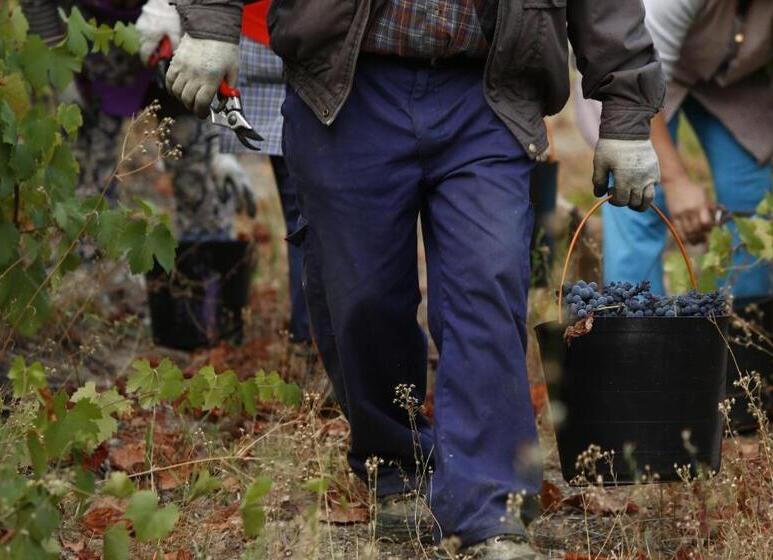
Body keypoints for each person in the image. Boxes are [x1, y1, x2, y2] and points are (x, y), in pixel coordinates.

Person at [166, 1, 666, 557]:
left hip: (490, 91)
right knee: (361, 297)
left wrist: (625, 113)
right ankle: (397, 467)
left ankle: (489, 507)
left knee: (487, 281)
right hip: (347, 85)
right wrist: (211, 25)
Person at [596, 0, 773, 426]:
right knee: (636, 193)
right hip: (637, 72)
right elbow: (638, 82)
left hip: (735, 81)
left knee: (750, 209)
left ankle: (743, 386)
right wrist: (677, 182)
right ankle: (645, 387)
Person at [21, 0, 252, 244]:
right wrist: (53, 61)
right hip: (89, 36)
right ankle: (93, 267)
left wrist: (220, 144)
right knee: (85, 179)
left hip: (179, 32)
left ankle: (205, 265)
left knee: (201, 172)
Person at [212, 0, 311, 344]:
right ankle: (309, 339)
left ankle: (308, 338)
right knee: (310, 212)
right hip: (308, 42)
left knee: (302, 212)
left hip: (258, 37)